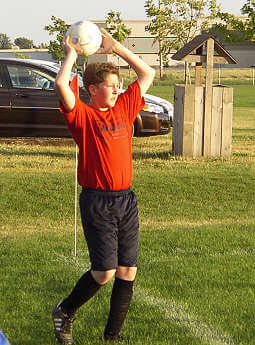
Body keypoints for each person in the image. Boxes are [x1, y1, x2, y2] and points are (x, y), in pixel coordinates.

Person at [52, 27, 155, 344]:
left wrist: (117, 48)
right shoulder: (82, 115)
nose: (115, 91)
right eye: (108, 87)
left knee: (128, 271)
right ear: (92, 89)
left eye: (117, 86)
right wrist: (71, 53)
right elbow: (60, 84)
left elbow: (147, 72)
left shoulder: (125, 106)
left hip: (126, 199)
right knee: (105, 272)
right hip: (97, 201)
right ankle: (66, 310)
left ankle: (113, 336)